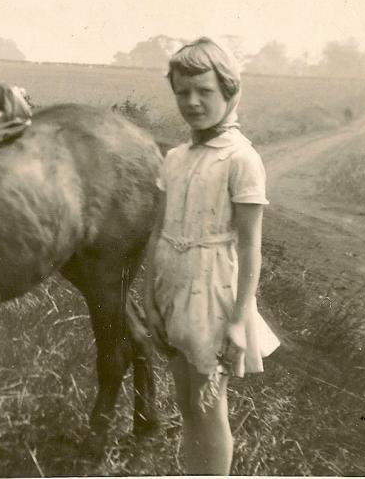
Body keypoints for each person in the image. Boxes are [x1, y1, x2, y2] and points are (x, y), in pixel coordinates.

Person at [144, 37, 280, 474]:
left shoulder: (241, 159)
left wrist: (240, 319)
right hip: (172, 282)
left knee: (207, 403)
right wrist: (149, 295)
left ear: (230, 92)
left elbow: (249, 244)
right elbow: (159, 230)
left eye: (205, 92)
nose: (192, 102)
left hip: (214, 290)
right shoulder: (175, 157)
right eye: (183, 92)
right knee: (186, 402)